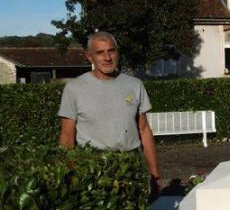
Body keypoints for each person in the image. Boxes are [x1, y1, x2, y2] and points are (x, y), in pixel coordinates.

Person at [58, 31, 161, 195]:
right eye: (100, 53)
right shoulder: (74, 89)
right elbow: (67, 136)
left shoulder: (135, 85)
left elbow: (144, 130)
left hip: (131, 167)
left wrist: (155, 174)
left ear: (117, 52)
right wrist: (66, 177)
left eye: (111, 51)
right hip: (93, 169)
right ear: (89, 57)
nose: (107, 58)